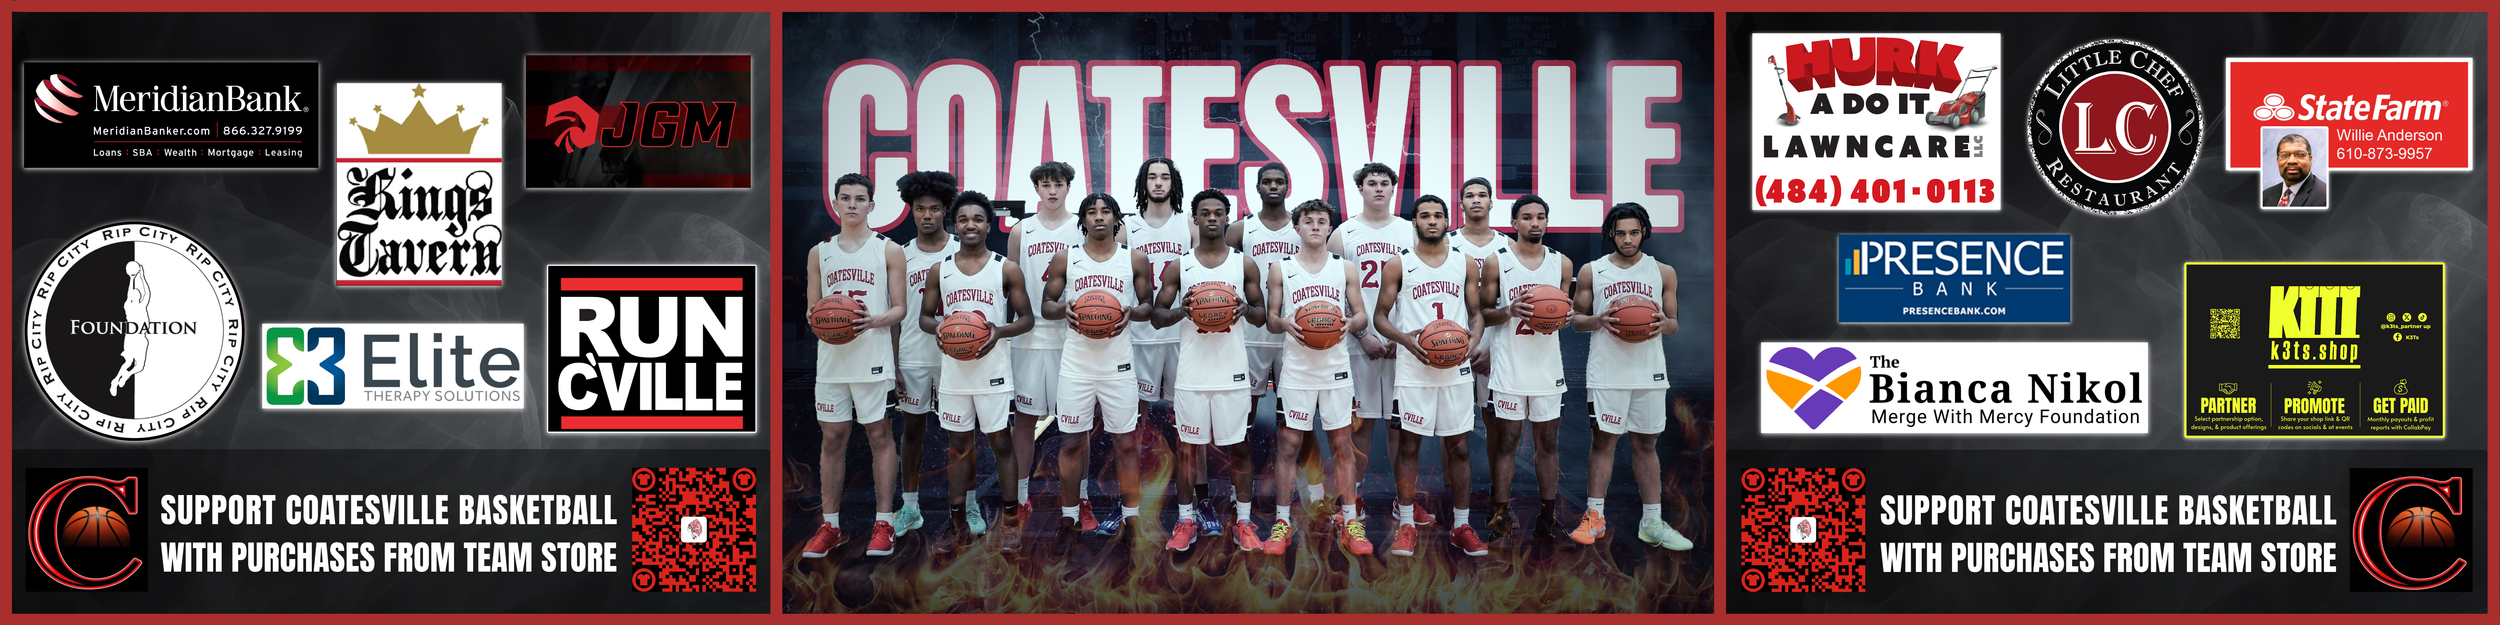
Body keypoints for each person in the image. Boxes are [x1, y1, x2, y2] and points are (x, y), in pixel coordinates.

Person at [1565, 203, 1692, 551]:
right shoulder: (1593, 271)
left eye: (1633, 232)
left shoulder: (1663, 271)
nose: (1627, 239)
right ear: (1611, 234)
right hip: (1607, 372)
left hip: (1649, 372)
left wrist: (1665, 324)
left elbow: (1673, 323)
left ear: (1644, 233)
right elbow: (1575, 319)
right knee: (1603, 443)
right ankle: (1595, 518)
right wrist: (1599, 321)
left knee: (1646, 445)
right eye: (1620, 233)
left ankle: (1651, 522)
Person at [801, 173, 911, 558]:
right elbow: (813, 310)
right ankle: (830, 526)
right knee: (832, 439)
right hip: (832, 360)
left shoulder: (888, 250)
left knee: (880, 436)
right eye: (844, 198)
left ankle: (883, 523)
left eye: (859, 198)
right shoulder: (820, 252)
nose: (851, 204)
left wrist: (871, 321)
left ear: (871, 205)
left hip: (873, 360)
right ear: (835, 203)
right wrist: (828, 320)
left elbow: (901, 308)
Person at [918, 190, 1034, 552]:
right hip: (955, 372)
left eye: (978, 219)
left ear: (988, 225)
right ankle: (956, 525)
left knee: (1001, 442)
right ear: (955, 224)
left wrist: (1000, 331)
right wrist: (938, 328)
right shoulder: (941, 269)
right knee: (958, 447)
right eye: (964, 219)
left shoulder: (1006, 268)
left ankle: (1012, 521)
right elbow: (924, 316)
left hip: (994, 371)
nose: (971, 224)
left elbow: (1027, 319)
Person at [1153, 189, 1267, 552]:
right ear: (1196, 219)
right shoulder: (1180, 265)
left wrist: (1243, 309)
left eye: (1219, 213)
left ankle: (1244, 520)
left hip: (1232, 371)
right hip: (1191, 373)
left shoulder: (1244, 263)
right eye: (1206, 213)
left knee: (1240, 445)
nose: (1213, 218)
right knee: (1187, 448)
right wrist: (1182, 311)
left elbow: (1262, 315)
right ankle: (1186, 520)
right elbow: (1157, 317)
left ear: (1227, 218)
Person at [1041, 193, 1156, 554]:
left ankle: (1131, 517)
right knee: (1072, 443)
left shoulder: (1134, 258)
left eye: (1106, 212)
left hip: (1117, 364)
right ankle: (1070, 518)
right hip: (1076, 364)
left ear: (1117, 219)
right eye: (1092, 212)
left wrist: (1130, 313)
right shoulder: (1066, 258)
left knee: (1125, 442)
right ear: (1084, 220)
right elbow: (1046, 305)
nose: (1099, 217)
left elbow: (1148, 306)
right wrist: (1065, 310)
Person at [1372, 195, 1485, 557]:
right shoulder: (1398, 265)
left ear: (1447, 220)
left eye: (1438, 215)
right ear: (1414, 222)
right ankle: (1406, 522)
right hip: (1413, 369)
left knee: (1461, 448)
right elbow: (1380, 318)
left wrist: (1474, 339)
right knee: (1409, 446)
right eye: (1425, 216)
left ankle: (1461, 525)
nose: (1432, 221)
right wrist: (1405, 339)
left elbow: (1476, 313)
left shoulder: (1463, 262)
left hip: (1455, 369)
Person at [1262, 200, 1373, 556]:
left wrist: (1348, 323)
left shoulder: (1345, 269)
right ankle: (1282, 522)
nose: (1314, 226)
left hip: (1335, 369)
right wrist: (1284, 324)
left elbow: (1362, 317)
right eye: (1307, 221)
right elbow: (1271, 318)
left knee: (1342, 445)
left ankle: (1350, 519)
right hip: (1296, 370)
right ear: (1296, 228)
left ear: (1329, 229)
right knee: (1289, 445)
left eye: (1321, 221)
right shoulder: (1281, 268)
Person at [1326, 161, 1426, 527]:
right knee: (1361, 425)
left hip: (1404, 344)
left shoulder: (1410, 232)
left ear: (1393, 189)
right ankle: (1354, 500)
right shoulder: (1342, 234)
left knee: (1400, 426)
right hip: (1359, 342)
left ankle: (1405, 503)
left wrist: (1402, 338)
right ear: (1361, 189)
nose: (1379, 189)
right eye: (1372, 183)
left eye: (1385, 183)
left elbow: (1418, 291)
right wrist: (1360, 333)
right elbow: (1333, 293)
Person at [1225, 163, 1327, 517]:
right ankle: (1244, 496)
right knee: (1244, 420)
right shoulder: (1241, 229)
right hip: (1252, 338)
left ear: (1288, 186)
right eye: (1266, 181)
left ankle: (1316, 495)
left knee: (1300, 420)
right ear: (1257, 187)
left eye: (1279, 181)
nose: (1273, 186)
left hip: (1296, 335)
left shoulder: (1301, 228)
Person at [1478, 195, 1573, 544]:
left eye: (1541, 217)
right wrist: (1509, 310)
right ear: (1514, 223)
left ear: (1547, 223)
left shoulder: (1562, 263)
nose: (1535, 223)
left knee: (1548, 442)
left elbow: (1565, 314)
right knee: (1507, 443)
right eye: (1527, 217)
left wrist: (1561, 317)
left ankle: (1547, 518)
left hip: (1548, 369)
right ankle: (1499, 514)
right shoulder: (1496, 262)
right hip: (1509, 368)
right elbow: (1483, 313)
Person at [1002, 162, 1087, 541]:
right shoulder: (1021, 230)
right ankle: (1020, 498)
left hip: (1072, 338)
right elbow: (1012, 283)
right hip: (1030, 338)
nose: (1052, 190)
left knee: (1076, 423)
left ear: (1069, 187)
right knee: (1024, 419)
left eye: (1059, 184)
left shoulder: (1081, 227)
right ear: (1036, 188)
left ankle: (1080, 500)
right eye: (1045, 184)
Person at [888, 170, 960, 539]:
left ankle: (968, 503)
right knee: (912, 431)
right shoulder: (900, 255)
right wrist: (894, 361)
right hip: (913, 355)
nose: (927, 215)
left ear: (946, 209)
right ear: (911, 211)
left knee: (961, 434)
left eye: (934, 208)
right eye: (920, 209)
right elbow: (896, 314)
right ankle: (911, 506)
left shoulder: (963, 250)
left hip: (957, 357)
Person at [2260, 134, 2328, 207]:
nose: (2291, 161)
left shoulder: (2327, 197)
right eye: (2284, 155)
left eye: (2300, 155)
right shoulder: (2265, 196)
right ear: (2277, 161)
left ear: (2310, 159)